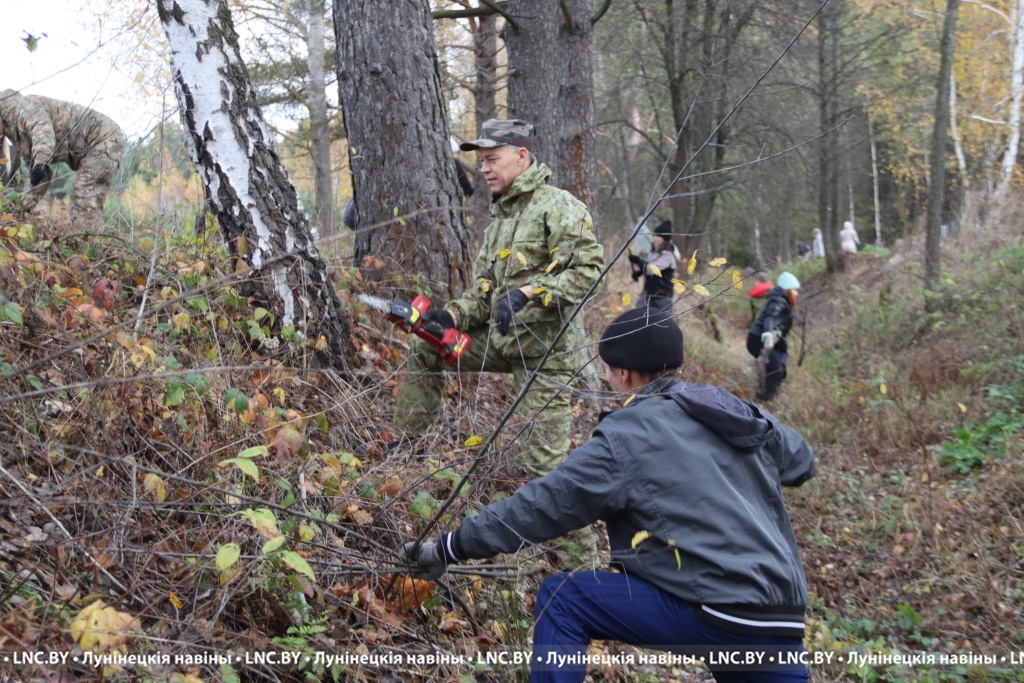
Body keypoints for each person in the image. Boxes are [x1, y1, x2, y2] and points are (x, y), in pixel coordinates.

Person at [399, 307, 816, 683]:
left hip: (716, 610)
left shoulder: (627, 436)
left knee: (563, 599)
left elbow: (542, 506)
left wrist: (450, 547)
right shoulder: (729, 409)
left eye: (608, 370)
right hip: (782, 614)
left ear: (625, 375)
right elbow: (802, 462)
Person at [386, 119, 605, 478]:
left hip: (546, 355)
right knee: (426, 347)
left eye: (492, 159)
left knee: (543, 469)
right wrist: (452, 317)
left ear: (521, 156)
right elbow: (486, 291)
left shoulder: (558, 206)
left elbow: (590, 273)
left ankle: (558, 512)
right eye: (481, 161)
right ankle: (409, 445)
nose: (484, 169)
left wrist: (529, 293)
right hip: (502, 342)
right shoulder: (500, 221)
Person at [0, 90, 126, 215]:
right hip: (93, 146)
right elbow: (40, 177)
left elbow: (43, 135)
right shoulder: (15, 135)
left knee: (83, 199)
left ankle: (87, 227)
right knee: (81, 199)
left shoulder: (26, 106)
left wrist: (40, 164)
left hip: (105, 140)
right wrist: (19, 209)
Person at [747, 272, 800, 401]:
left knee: (780, 370)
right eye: (794, 289)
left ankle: (767, 396)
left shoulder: (783, 300)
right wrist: (768, 334)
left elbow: (781, 325)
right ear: (787, 289)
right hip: (758, 339)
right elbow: (770, 318)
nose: (797, 293)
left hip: (770, 340)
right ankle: (762, 400)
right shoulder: (778, 300)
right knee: (775, 371)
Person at [628, 219, 676, 312]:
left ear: (665, 239)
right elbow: (647, 267)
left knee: (663, 321)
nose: (655, 238)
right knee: (637, 315)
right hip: (647, 295)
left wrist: (637, 261)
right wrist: (638, 273)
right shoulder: (652, 253)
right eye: (655, 235)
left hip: (662, 298)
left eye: (659, 236)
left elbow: (651, 269)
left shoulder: (668, 256)